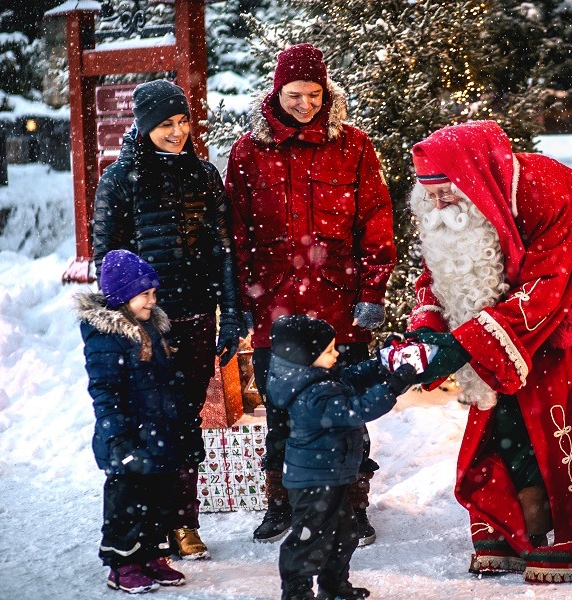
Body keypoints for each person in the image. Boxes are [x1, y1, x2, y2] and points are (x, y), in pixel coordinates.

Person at [406, 121, 572, 585]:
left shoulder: (547, 191)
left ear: (474, 178)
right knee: (506, 387)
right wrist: (429, 330)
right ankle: (531, 502)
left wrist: (461, 346)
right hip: (537, 309)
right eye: (428, 193)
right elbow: (441, 274)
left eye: (445, 190)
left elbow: (545, 290)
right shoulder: (468, 203)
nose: (437, 204)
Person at [224, 43, 396, 546]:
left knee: (345, 406)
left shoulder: (355, 146)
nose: (305, 105)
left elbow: (376, 222)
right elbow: (235, 232)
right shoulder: (248, 151)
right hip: (273, 302)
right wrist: (239, 300)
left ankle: (351, 503)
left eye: (315, 94)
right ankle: (282, 502)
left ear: (327, 92)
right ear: (276, 92)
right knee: (280, 409)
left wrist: (374, 290)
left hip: (337, 302)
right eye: (295, 94)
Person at [93, 79, 244, 560]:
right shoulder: (120, 179)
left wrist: (232, 314)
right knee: (147, 422)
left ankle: (183, 521)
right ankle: (149, 526)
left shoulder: (202, 174)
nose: (177, 132)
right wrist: (133, 317)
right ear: (144, 125)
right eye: (165, 125)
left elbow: (223, 249)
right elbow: (106, 258)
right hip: (147, 323)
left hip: (198, 314)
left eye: (182, 122)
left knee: (184, 421)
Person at [266, 314, 417, 600]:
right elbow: (358, 408)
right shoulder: (312, 396)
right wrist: (394, 385)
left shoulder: (317, 377)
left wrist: (384, 361)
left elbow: (352, 377)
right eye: (329, 350)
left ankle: (334, 587)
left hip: (329, 476)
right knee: (310, 540)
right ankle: (296, 592)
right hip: (313, 482)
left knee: (343, 534)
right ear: (305, 357)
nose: (336, 354)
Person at [75, 249, 189, 594]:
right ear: (123, 296)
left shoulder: (151, 327)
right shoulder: (106, 338)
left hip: (157, 433)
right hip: (126, 437)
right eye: (145, 294)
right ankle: (122, 564)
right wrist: (118, 440)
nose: (152, 301)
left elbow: (167, 385)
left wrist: (183, 428)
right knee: (127, 500)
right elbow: (105, 393)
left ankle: (152, 555)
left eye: (154, 293)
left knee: (158, 497)